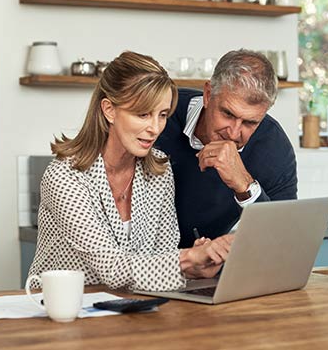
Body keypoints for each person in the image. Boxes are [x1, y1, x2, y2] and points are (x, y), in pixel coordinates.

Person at [28, 51, 233, 292]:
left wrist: (194, 267)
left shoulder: (159, 171)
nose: (155, 128)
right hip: (63, 310)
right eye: (143, 114)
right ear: (109, 110)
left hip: (132, 310)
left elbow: (163, 254)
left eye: (163, 115)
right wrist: (187, 259)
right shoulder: (64, 176)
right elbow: (111, 267)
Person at [156, 49, 297, 248]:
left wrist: (245, 186)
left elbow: (283, 240)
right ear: (207, 94)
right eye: (228, 114)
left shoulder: (273, 147)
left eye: (250, 122)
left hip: (207, 268)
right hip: (140, 265)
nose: (233, 133)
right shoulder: (160, 115)